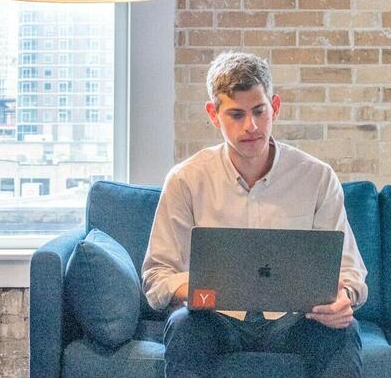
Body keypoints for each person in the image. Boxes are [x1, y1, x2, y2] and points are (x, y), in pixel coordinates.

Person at [141, 51, 366, 378]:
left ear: (275, 106)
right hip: (215, 318)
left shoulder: (316, 177)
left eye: (260, 111)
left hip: (296, 319)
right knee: (183, 325)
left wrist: (343, 297)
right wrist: (202, 286)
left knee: (343, 330)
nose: (252, 126)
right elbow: (156, 276)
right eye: (236, 114)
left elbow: (349, 271)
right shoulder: (185, 179)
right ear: (213, 114)